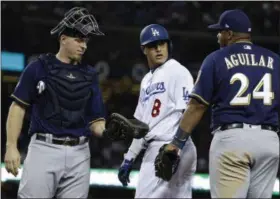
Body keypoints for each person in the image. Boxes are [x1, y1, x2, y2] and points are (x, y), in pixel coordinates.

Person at [3, 7, 142, 198]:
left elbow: (95, 122)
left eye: (85, 41)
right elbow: (17, 107)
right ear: (63, 39)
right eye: (79, 39)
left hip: (79, 153)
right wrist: (11, 146)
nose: (83, 45)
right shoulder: (39, 67)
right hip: (44, 149)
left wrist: (109, 132)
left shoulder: (90, 75)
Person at [155, 9, 280, 198]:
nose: (218, 36)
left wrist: (176, 143)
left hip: (233, 140)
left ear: (229, 34)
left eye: (220, 31)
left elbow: (197, 105)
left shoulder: (216, 59)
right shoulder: (275, 60)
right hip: (269, 141)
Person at [117, 24, 197, 198]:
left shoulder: (178, 71)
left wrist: (176, 147)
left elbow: (189, 112)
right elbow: (142, 126)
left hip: (170, 146)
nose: (159, 49)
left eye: (162, 43)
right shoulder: (146, 80)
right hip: (159, 146)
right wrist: (129, 157)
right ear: (144, 49)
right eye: (153, 45)